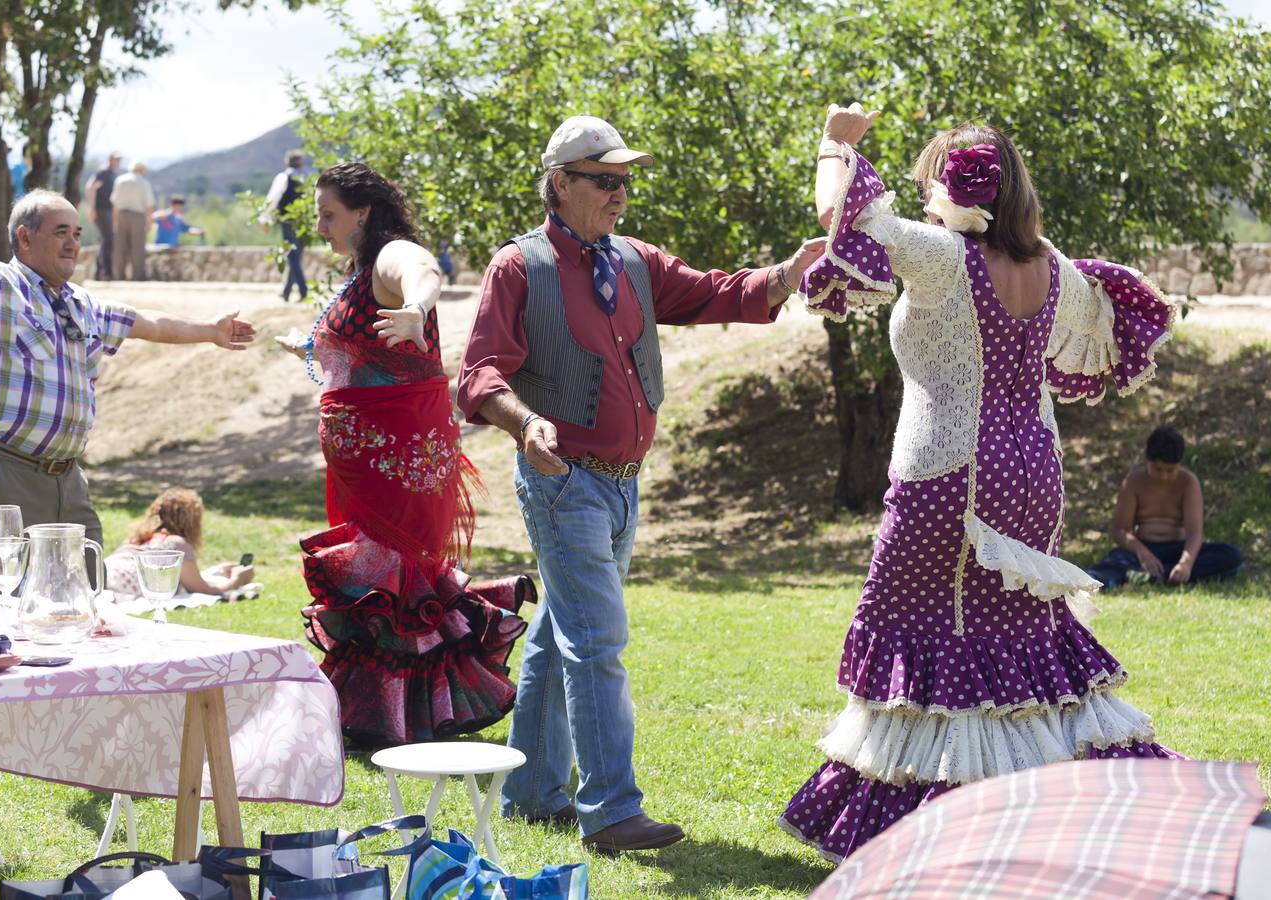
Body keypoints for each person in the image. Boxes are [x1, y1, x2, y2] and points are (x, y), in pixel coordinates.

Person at [777, 104, 1183, 862]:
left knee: (931, 635)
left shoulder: (937, 256)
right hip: (1032, 469)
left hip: (947, 472)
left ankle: (949, 831)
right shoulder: (1051, 267)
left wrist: (836, 140)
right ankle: (1048, 810)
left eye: (929, 180)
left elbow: (840, 214)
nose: (922, 192)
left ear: (951, 188)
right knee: (1016, 638)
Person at [455, 115, 826, 853]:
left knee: (567, 639)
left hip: (622, 485)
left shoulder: (632, 260)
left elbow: (715, 293)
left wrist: (785, 274)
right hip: (564, 483)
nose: (620, 193)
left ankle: (530, 788)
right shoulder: (516, 267)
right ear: (560, 183)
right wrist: (525, 423)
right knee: (596, 643)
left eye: (625, 180)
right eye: (604, 180)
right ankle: (612, 812)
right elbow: (478, 374)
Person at [272, 162, 535, 748]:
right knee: (378, 582)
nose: (319, 227)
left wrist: (419, 307)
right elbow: (361, 357)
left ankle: (410, 716)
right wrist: (308, 347)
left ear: (363, 212)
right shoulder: (359, 272)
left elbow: (423, 270)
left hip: (398, 457)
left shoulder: (391, 255)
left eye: (327, 214)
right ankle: (373, 712)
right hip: (365, 462)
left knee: (399, 581)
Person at [0, 171, 256, 571]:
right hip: (3, 475)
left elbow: (151, 324)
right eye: (61, 232)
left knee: (83, 600)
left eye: (77, 233)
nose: (73, 243)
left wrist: (209, 331)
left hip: (69, 481)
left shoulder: (83, 304)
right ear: (25, 238)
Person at [1085, 426, 1244, 589]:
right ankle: (1149, 574)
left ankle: (1153, 575)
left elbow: (1195, 533)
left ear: (1179, 464)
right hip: (1142, 548)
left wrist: (1185, 564)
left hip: (1178, 550)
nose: (1163, 475)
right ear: (1147, 460)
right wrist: (1143, 553)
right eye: (1158, 469)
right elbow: (1120, 531)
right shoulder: (1134, 481)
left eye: (1170, 470)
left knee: (1231, 556)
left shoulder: (1188, 482)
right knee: (1108, 567)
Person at [105, 488, 255, 605]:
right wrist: (237, 581)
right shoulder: (176, 544)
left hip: (103, 572)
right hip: (120, 587)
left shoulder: (136, 538)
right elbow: (202, 590)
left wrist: (218, 571)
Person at [261, 149, 310, 302]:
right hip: (304, 221)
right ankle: (287, 291)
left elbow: (272, 199)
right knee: (296, 255)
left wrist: (264, 219)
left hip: (288, 221)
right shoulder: (306, 177)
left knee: (293, 256)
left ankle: (303, 291)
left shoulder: (284, 177)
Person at [111, 161, 156, 280]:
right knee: (138, 247)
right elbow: (148, 204)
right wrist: (150, 221)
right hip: (137, 216)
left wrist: (115, 220)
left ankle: (119, 276)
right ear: (142, 170)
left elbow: (115, 203)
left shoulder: (120, 180)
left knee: (120, 247)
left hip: (121, 215)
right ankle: (137, 276)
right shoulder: (143, 182)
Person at [85, 152, 121, 280]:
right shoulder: (104, 172)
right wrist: (92, 208)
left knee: (106, 239)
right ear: (110, 160)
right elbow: (91, 188)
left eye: (119, 160)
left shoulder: (111, 174)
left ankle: (100, 272)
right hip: (101, 209)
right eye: (116, 159)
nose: (118, 162)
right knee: (108, 238)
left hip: (108, 209)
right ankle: (105, 271)